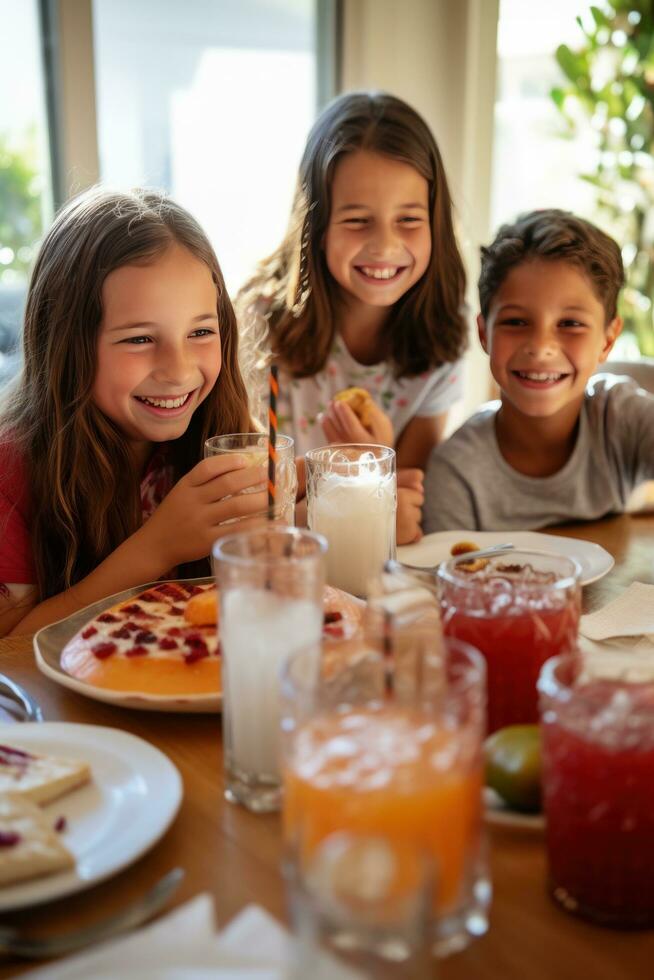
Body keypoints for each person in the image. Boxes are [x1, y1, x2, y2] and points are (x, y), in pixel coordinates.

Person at [0, 188, 268, 637]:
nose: (179, 370)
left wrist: (312, 514)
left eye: (201, 331)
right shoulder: (12, 475)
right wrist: (156, 548)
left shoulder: (220, 431)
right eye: (140, 339)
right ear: (66, 346)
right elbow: (10, 658)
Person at [237, 91, 468, 543]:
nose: (384, 246)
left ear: (435, 223)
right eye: (359, 220)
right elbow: (245, 506)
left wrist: (379, 469)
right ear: (315, 226)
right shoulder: (260, 328)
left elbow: (405, 503)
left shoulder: (443, 334)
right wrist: (360, 487)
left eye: (408, 220)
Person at [423, 208, 654, 532]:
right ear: (484, 333)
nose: (541, 346)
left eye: (570, 324)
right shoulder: (456, 472)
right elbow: (446, 580)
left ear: (607, 340)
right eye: (516, 322)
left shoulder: (619, 416)